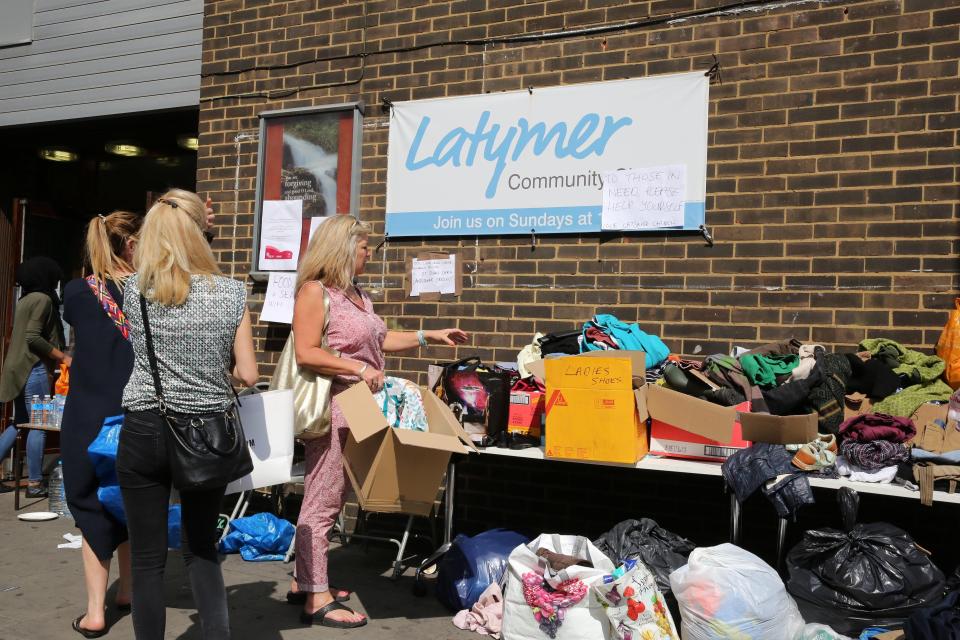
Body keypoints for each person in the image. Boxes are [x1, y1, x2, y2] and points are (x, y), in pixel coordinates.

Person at [288, 215, 469, 628]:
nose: (370, 253)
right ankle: (316, 597)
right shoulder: (315, 292)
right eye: (365, 246)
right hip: (335, 406)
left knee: (335, 498)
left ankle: (305, 580)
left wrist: (430, 335)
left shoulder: (357, 295)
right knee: (323, 500)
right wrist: (356, 368)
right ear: (342, 248)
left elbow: (380, 340)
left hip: (360, 409)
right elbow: (306, 352)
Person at [117, 189, 257, 640]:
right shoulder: (232, 294)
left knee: (146, 557)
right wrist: (215, 374)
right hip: (206, 432)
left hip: (143, 425)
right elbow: (249, 374)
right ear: (202, 233)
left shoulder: (132, 293)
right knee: (201, 547)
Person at [61, 211, 141, 638]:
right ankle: (128, 591)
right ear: (130, 246)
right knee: (130, 499)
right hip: (138, 414)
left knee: (91, 505)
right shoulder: (152, 293)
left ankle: (95, 612)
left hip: (87, 416)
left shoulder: (75, 292)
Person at [0, 256, 70, 498]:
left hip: (17, 368)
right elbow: (32, 337)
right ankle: (35, 484)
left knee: (19, 422)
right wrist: (63, 357)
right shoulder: (42, 300)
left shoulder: (26, 300)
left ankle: (32, 481)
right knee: (39, 424)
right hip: (34, 368)